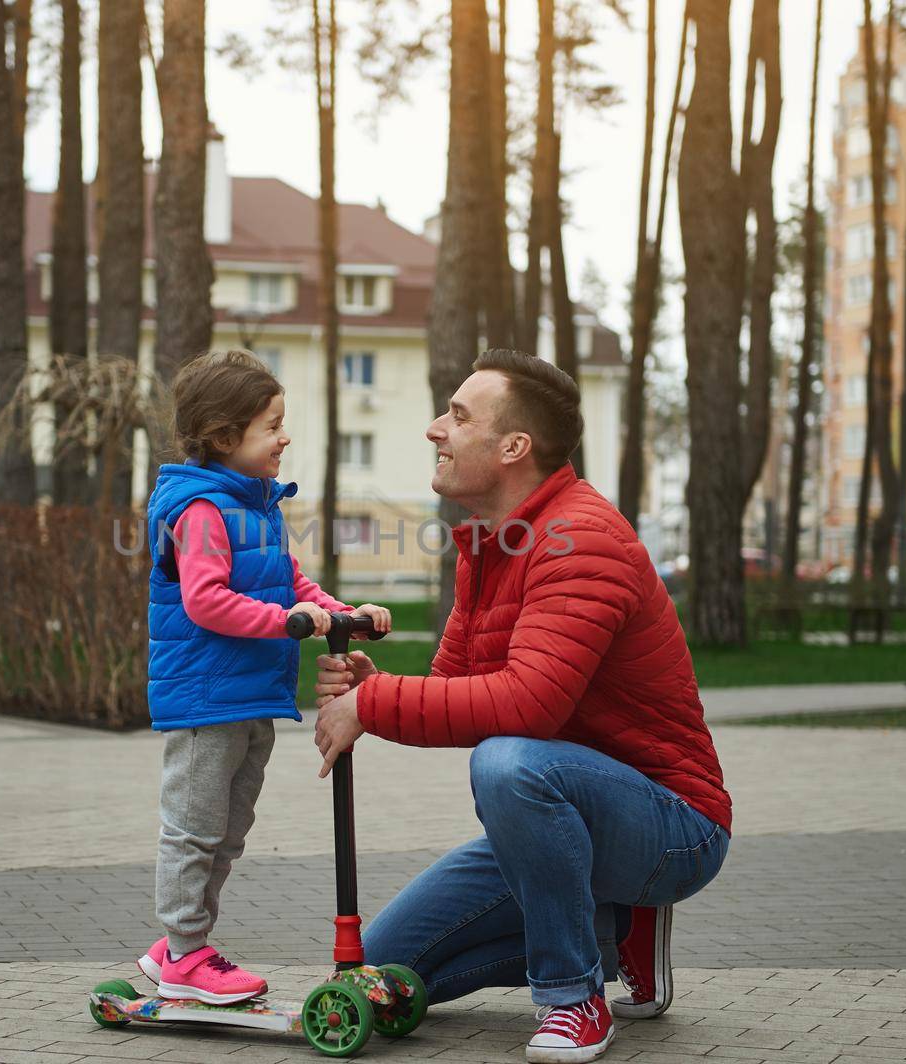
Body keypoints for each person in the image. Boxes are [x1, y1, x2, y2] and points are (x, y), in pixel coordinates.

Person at [312, 349, 730, 1064]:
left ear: (514, 447)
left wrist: (375, 706)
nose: (435, 429)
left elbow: (526, 707)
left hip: (672, 824)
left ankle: (573, 998)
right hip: (563, 818)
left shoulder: (582, 541)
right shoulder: (496, 542)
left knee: (508, 762)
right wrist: (371, 684)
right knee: (376, 971)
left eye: (458, 415)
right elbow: (457, 688)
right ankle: (608, 930)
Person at [138, 349, 392, 1004]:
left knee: (228, 831)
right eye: (271, 426)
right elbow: (205, 600)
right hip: (205, 698)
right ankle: (187, 953)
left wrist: (344, 613)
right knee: (194, 829)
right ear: (225, 437)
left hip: (249, 695)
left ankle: (177, 949)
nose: (284, 438)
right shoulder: (199, 510)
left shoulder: (256, 506)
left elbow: (291, 584)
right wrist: (289, 621)